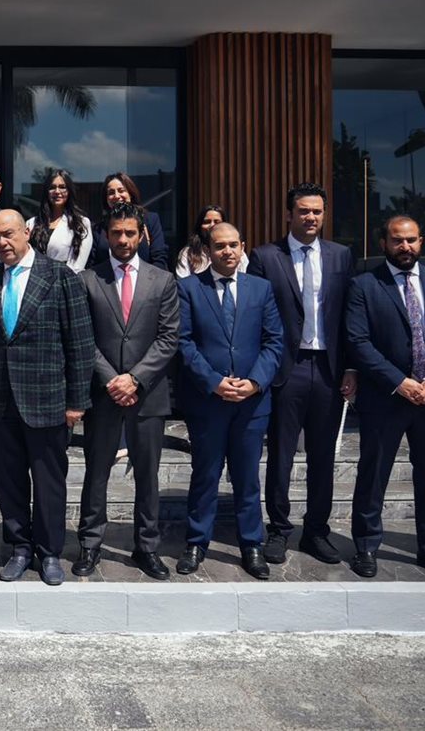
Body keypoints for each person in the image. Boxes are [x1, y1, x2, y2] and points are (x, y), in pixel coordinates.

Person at [346, 216, 425, 581]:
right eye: (397, 240)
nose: (405, 247)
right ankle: (366, 547)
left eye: (412, 240)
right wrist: (398, 382)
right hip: (386, 398)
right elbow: (358, 342)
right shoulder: (364, 286)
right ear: (383, 243)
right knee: (373, 476)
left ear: (421, 242)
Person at [0, 210, 95, 586]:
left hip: (48, 400)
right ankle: (19, 548)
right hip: (0, 401)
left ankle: (49, 552)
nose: (3, 242)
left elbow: (80, 343)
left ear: (26, 233)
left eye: (9, 234)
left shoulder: (60, 277)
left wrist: (76, 401)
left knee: (49, 483)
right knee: (8, 481)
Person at [248, 183, 356, 566]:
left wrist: (351, 366)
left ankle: (316, 532)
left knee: (322, 456)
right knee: (280, 454)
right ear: (289, 214)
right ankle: (278, 529)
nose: (311, 217)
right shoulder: (265, 256)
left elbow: (349, 315)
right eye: (304, 211)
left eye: (317, 211)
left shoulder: (341, 256)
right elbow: (256, 316)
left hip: (328, 368)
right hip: (285, 369)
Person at [76, 203, 180, 580]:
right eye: (116, 233)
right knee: (96, 473)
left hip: (148, 394)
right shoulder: (88, 279)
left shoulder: (162, 280)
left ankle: (147, 547)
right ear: (106, 235)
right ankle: (90, 543)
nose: (123, 239)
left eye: (130, 233)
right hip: (103, 394)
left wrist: (134, 378)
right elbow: (83, 338)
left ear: (142, 235)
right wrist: (111, 379)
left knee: (147, 476)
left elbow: (169, 338)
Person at [174, 222, 282, 580]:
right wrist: (214, 382)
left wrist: (254, 383)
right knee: (205, 474)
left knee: (247, 477)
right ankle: (196, 542)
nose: (228, 251)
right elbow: (184, 343)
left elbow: (274, 341)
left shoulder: (261, 288)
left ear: (243, 247)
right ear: (208, 250)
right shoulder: (189, 288)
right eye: (220, 246)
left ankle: (251, 544)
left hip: (251, 403)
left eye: (234, 245)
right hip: (208, 402)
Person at [88, 172, 168, 270]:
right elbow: (92, 264)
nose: (116, 196)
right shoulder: (98, 229)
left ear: (130, 193)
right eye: (111, 192)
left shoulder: (149, 220)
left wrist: (150, 279)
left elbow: (159, 257)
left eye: (121, 191)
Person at [26, 168, 93, 273]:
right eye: (52, 187)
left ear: (69, 191)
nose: (57, 191)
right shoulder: (31, 223)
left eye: (62, 187)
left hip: (66, 278)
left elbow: (78, 265)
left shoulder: (81, 223)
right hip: (36, 278)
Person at [174, 204, 248, 278]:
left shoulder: (237, 253)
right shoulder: (188, 252)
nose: (212, 225)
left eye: (217, 222)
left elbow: (244, 278)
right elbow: (183, 280)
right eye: (207, 222)